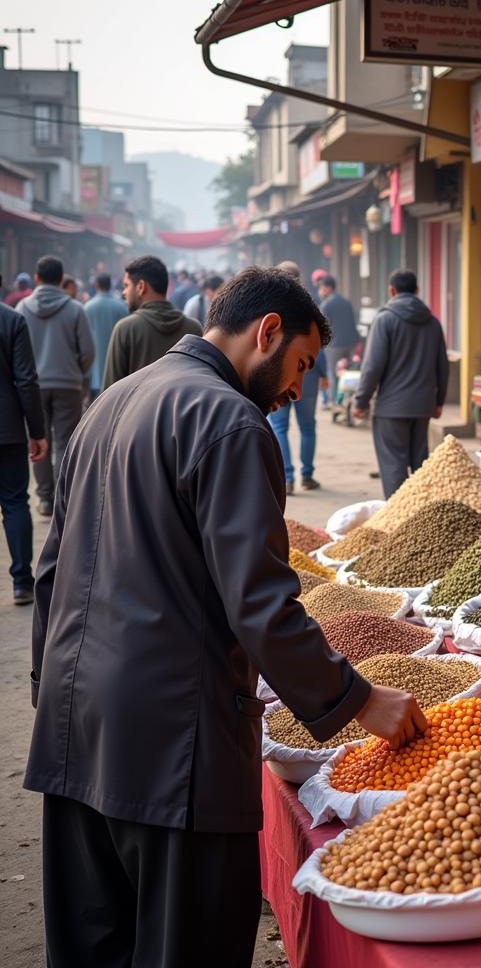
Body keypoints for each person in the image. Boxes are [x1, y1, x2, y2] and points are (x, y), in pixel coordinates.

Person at [25, 265, 427, 968]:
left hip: (74, 726)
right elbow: (262, 603)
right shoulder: (230, 420)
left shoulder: (112, 401)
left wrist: (50, 694)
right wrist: (360, 700)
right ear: (266, 332)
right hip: (171, 744)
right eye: (300, 363)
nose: (299, 387)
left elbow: (53, 569)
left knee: (96, 944)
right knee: (189, 945)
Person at [353, 269, 449, 498]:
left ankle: (399, 524)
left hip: (391, 407)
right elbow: (442, 367)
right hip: (423, 406)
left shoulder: (384, 320)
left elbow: (372, 366)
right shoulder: (433, 323)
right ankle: (422, 515)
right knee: (420, 463)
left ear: (391, 290)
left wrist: (361, 401)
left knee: (393, 465)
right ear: (417, 291)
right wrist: (439, 401)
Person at [16, 256, 94, 517]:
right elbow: (88, 351)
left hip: (32, 386)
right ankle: (63, 499)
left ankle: (45, 498)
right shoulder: (75, 309)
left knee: (38, 441)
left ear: (36, 278)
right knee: (64, 442)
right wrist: (75, 372)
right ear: (62, 280)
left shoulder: (22, 309)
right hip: (67, 385)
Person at [0, 302, 47, 604]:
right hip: (8, 429)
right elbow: (26, 380)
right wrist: (37, 431)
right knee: (16, 502)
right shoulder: (12, 320)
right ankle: (21, 582)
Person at [103, 255, 202, 389]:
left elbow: (110, 391)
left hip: (136, 410)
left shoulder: (126, 328)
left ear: (141, 287)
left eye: (126, 285)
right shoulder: (194, 328)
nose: (123, 293)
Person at [268, 347, 329, 493]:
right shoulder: (307, 324)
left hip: (279, 377)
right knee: (307, 428)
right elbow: (317, 349)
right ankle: (307, 476)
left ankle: (287, 479)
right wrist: (324, 374)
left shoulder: (269, 325)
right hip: (307, 378)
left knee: (279, 428)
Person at [83, 273, 127, 401]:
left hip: (94, 370)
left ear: (96, 286)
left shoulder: (88, 307)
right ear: (110, 285)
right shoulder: (121, 307)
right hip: (116, 372)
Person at [318, 273, 358, 407]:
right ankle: (352, 400)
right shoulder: (346, 302)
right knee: (351, 372)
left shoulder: (326, 304)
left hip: (334, 345)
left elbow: (321, 326)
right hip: (351, 343)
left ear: (328, 288)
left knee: (332, 373)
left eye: (321, 288)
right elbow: (353, 321)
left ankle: (335, 402)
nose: (320, 291)